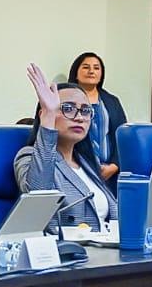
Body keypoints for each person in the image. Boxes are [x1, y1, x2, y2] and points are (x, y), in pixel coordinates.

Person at [14, 63, 117, 233]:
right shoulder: (29, 156)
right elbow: (38, 195)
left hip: (106, 248)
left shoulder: (87, 163)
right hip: (68, 252)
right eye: (68, 108)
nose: (79, 117)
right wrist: (49, 114)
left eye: (85, 111)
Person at [68, 52, 127, 186]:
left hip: (109, 173)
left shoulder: (112, 102)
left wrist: (115, 165)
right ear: (75, 73)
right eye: (85, 67)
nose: (91, 71)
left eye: (96, 68)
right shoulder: (66, 101)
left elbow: (122, 136)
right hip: (77, 170)